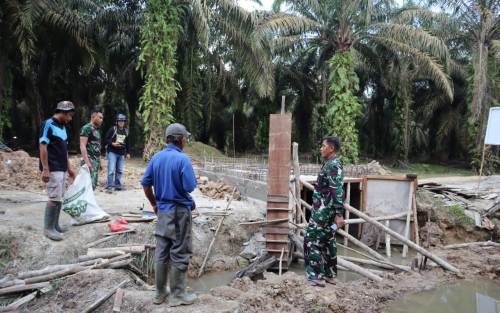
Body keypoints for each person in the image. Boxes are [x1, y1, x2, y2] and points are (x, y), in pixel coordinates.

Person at [141, 123, 197, 306]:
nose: (186, 141)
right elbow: (189, 186)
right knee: (180, 251)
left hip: (163, 211)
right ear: (180, 140)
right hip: (179, 212)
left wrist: (154, 204)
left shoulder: (156, 158)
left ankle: (159, 294)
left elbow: (145, 184)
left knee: (162, 251)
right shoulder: (183, 160)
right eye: (185, 138)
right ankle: (178, 295)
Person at [303, 136, 344, 287]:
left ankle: (316, 276)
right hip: (326, 213)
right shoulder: (329, 163)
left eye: (323, 146)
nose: (321, 148)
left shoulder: (333, 165)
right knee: (328, 239)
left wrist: (339, 215)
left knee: (311, 240)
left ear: (331, 148)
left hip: (324, 213)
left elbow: (337, 190)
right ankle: (329, 275)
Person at [39, 101, 76, 241]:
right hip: (52, 168)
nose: (70, 119)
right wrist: (45, 168)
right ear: (64, 113)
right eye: (70, 116)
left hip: (61, 168)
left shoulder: (63, 127)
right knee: (53, 198)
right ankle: (48, 228)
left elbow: (64, 150)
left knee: (59, 197)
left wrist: (69, 168)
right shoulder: (48, 124)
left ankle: (55, 225)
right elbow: (43, 146)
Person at [105, 113, 130, 193]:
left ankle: (117, 186)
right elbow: (106, 139)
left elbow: (128, 142)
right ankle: (110, 186)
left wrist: (128, 152)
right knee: (111, 170)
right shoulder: (113, 129)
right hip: (112, 152)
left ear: (124, 122)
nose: (121, 122)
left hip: (121, 153)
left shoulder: (126, 131)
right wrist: (112, 144)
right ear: (117, 121)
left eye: (123, 121)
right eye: (120, 121)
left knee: (119, 170)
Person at [80, 108, 103, 190]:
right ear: (93, 116)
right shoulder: (86, 128)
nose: (101, 120)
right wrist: (87, 162)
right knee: (86, 185)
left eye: (102, 118)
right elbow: (82, 145)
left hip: (96, 161)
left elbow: (98, 147)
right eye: (100, 117)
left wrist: (100, 162)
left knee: (93, 185)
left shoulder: (97, 130)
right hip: (89, 160)